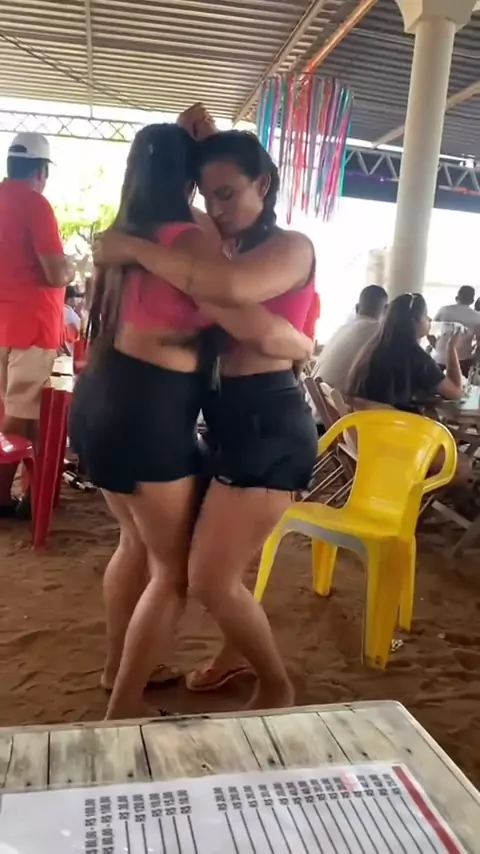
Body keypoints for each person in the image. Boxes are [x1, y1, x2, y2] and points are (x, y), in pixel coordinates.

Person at [71, 122, 314, 719]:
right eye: (208, 194)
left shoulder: (276, 246)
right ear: (187, 185)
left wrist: (299, 343)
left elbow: (230, 295)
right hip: (178, 416)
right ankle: (127, 698)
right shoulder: (192, 239)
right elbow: (230, 301)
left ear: (264, 184)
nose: (217, 209)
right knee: (176, 571)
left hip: (243, 420)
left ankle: (135, 680)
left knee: (182, 566)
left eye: (228, 194)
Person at [0, 132, 71, 515]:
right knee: (24, 416)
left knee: (10, 410)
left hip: (3, 323)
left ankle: (26, 495)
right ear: (42, 171)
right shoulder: (35, 204)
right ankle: (11, 497)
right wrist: (71, 269)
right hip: (31, 326)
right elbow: (56, 273)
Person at [347, 292, 464, 411]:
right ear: (414, 321)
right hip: (392, 421)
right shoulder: (415, 355)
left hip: (363, 420)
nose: (429, 319)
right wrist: (451, 348)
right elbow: (455, 393)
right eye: (425, 315)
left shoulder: (374, 346)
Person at [312, 285, 387, 391]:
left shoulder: (343, 329)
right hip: (335, 398)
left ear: (357, 308)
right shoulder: (378, 332)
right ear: (386, 310)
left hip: (314, 396)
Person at [433, 286, 480, 377]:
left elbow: (430, 332)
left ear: (457, 297)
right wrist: (473, 355)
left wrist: (437, 347)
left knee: (436, 384)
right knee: (460, 384)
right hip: (462, 359)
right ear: (472, 301)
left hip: (440, 358)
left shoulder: (444, 310)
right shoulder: (476, 316)